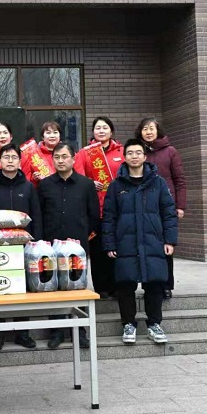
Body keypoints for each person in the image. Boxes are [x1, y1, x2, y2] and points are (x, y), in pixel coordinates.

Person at [102, 139, 178, 345]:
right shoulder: (116, 185)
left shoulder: (158, 183)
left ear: (145, 157)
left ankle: (154, 324)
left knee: (154, 283)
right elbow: (109, 217)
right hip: (125, 242)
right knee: (125, 284)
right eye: (130, 153)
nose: (134, 156)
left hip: (153, 241)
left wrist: (170, 240)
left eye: (138, 152)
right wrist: (110, 244)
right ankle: (128, 323)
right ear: (124, 157)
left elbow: (168, 213)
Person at [37, 142, 100, 350]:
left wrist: (84, 237)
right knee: (53, 287)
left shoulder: (86, 185)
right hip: (51, 249)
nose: (60, 161)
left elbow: (93, 215)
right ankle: (56, 331)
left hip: (77, 248)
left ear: (73, 159)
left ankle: (80, 331)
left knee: (78, 286)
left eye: (64, 157)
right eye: (57, 157)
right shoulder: (45, 185)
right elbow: (40, 215)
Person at [0, 143, 42, 351]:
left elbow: (36, 216)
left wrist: (37, 242)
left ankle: (22, 333)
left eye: (14, 157)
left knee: (21, 289)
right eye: (6, 157)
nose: (10, 160)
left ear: (19, 161)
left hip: (23, 246)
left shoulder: (28, 187)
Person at [73, 116, 124, 300]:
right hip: (95, 208)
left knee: (118, 248)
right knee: (97, 250)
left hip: (117, 208)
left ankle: (118, 286)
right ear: (93, 132)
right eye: (98, 128)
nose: (101, 131)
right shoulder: (85, 153)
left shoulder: (121, 152)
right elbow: (77, 176)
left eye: (105, 127)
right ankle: (101, 287)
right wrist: (89, 183)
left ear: (111, 131)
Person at [136, 117, 187, 299]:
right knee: (146, 246)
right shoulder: (138, 151)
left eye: (151, 128)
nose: (148, 132)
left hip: (165, 205)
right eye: (145, 129)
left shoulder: (170, 151)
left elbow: (179, 180)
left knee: (165, 247)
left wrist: (180, 205)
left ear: (158, 131)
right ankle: (149, 284)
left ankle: (166, 285)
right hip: (143, 205)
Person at [28, 121, 62, 187]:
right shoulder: (34, 154)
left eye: (55, 132)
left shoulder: (68, 153)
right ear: (42, 137)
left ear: (59, 135)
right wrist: (34, 179)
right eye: (48, 133)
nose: (52, 136)